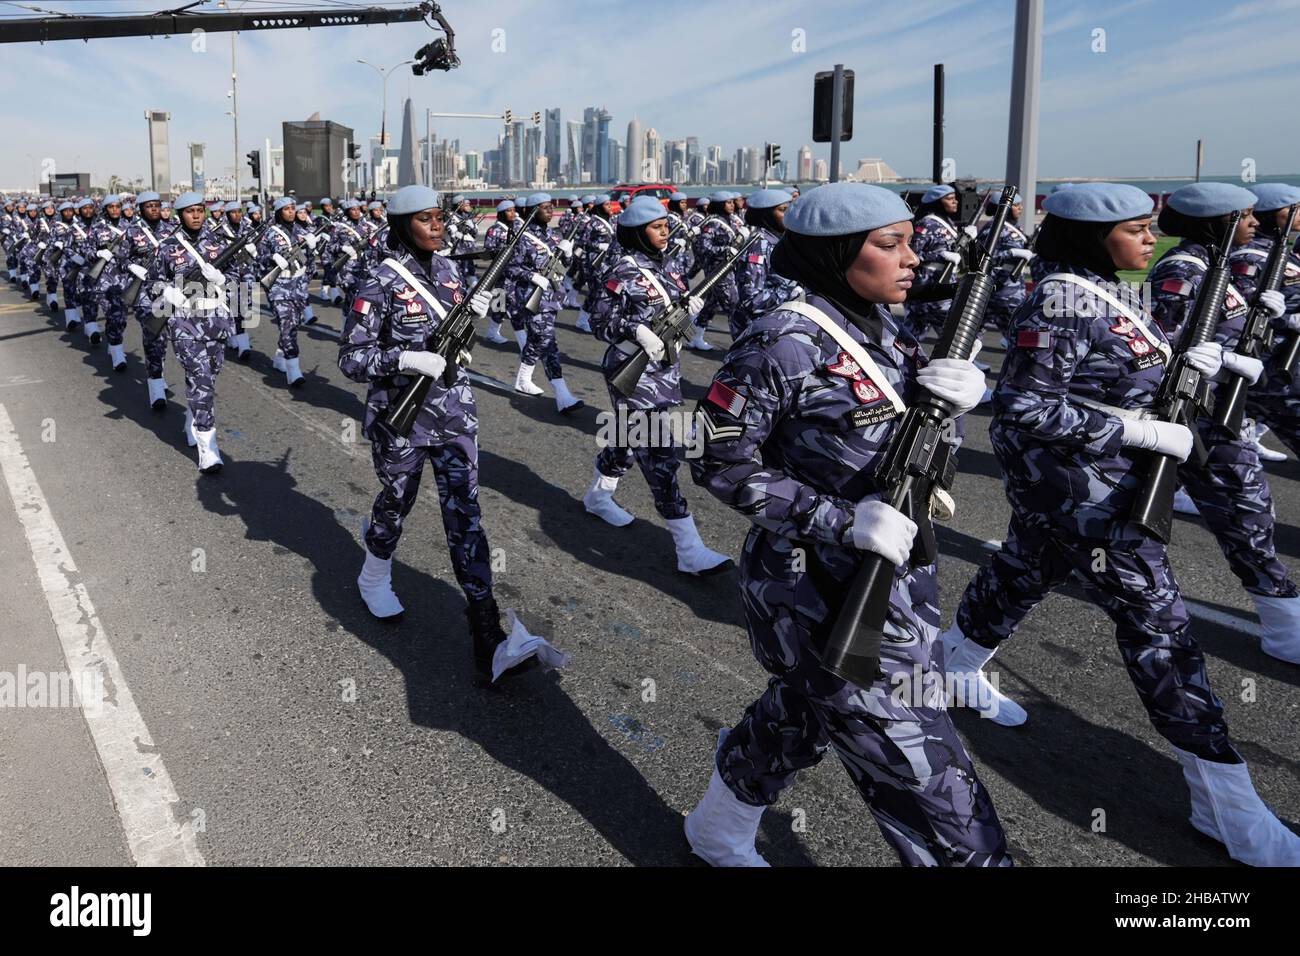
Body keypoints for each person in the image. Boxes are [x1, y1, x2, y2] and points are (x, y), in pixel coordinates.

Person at [941, 182, 1298, 866]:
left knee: (1023, 571)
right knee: (1161, 634)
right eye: (1135, 228)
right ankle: (1226, 807)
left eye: (1149, 226)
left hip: (1085, 487)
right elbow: (1023, 406)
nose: (1148, 238)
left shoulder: (1102, 287)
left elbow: (1110, 369)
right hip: (1086, 494)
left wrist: (1187, 363)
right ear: (1089, 236)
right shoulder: (1060, 297)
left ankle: (954, 664)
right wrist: (1136, 430)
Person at [685, 182, 1008, 867]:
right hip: (816, 590)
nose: (912, 258)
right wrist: (838, 519)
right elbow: (715, 459)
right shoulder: (782, 341)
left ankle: (718, 824)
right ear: (836, 254)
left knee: (800, 716)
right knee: (937, 791)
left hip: (892, 584)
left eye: (910, 241)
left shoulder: (879, 322)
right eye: (890, 244)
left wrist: (960, 393)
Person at [337, 184, 559, 684]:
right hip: (402, 418)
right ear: (401, 225)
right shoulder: (379, 281)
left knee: (466, 517)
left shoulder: (452, 272)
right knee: (396, 502)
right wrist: (404, 358)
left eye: (440, 217)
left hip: (455, 416)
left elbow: (454, 343)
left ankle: (488, 632)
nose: (437, 225)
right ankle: (373, 574)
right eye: (426, 219)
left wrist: (467, 327)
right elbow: (351, 359)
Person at [1148, 182, 1300, 663]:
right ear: (1218, 222)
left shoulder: (1216, 269)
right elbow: (1164, 343)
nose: (1256, 223)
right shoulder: (1182, 269)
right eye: (1246, 216)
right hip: (1201, 414)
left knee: (1248, 510)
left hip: (1218, 409)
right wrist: (1230, 363)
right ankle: (1284, 626)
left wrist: (1267, 316)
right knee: (1245, 511)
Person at [581, 197, 731, 574]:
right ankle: (689, 549)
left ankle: (598, 497)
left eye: (667, 225)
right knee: (659, 452)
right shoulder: (622, 269)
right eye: (656, 227)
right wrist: (635, 330)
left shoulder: (669, 266)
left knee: (627, 440)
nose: (665, 231)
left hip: (664, 371)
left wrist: (688, 307)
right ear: (637, 232)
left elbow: (670, 307)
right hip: (632, 371)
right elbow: (598, 319)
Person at [146, 191, 233, 474]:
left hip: (216, 318)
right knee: (201, 380)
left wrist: (222, 278)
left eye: (199, 210)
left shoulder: (219, 243)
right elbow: (152, 283)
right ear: (179, 214)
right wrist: (167, 292)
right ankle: (209, 450)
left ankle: (192, 419)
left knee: (210, 376)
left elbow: (240, 278)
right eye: (189, 211)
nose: (196, 215)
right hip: (185, 322)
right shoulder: (167, 246)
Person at [1231, 182, 1300, 473]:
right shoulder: (1249, 257)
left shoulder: (1281, 250)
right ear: (1272, 214)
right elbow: (1242, 312)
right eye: (1293, 210)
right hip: (1275, 364)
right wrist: (1288, 319)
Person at [503, 193, 583, 412]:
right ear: (531, 211)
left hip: (552, 297)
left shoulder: (554, 235)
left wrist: (567, 255)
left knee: (541, 339)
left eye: (551, 206)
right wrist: (532, 276)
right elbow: (509, 267)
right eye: (544, 207)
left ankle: (524, 379)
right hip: (531, 295)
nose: (550, 210)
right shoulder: (521, 235)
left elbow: (562, 267)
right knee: (545, 340)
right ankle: (562, 394)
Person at [121, 191, 175, 401]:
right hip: (144, 293)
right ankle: (155, 388)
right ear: (141, 209)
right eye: (149, 206)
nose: (154, 209)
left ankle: (158, 372)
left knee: (170, 339)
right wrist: (133, 267)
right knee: (153, 338)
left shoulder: (171, 230)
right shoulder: (131, 231)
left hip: (168, 292)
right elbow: (121, 259)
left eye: (157, 205)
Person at [257, 197, 315, 387]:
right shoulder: (270, 234)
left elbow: (310, 267)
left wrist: (313, 250)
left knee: (293, 325)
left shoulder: (301, 231)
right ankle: (294, 372)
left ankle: (279, 359)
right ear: (279, 212)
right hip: (279, 287)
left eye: (293, 208)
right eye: (287, 209)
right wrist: (272, 258)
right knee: (288, 326)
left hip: (298, 286)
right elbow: (258, 259)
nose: (291, 212)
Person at [732, 188, 803, 338]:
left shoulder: (778, 240)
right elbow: (751, 300)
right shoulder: (759, 245)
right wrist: (791, 291)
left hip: (776, 322)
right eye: (783, 210)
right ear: (766, 215)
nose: (789, 215)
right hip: (757, 330)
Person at [902, 183, 969, 341]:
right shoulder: (926, 224)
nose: (955, 202)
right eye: (949, 199)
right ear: (938, 201)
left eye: (955, 198)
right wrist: (939, 255)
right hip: (928, 283)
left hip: (945, 281)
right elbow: (912, 254)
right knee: (952, 329)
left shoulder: (948, 225)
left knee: (912, 334)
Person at [688, 191, 745, 351]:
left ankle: (697, 337)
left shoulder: (732, 221)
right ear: (720, 205)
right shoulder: (713, 223)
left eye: (732, 202)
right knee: (733, 306)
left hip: (729, 270)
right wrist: (725, 249)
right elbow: (703, 246)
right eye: (728, 202)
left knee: (711, 305)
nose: (732, 205)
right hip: (718, 272)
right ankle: (740, 345)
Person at [574, 194, 616, 334]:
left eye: (610, 204)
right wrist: (599, 246)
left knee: (605, 291)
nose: (609, 206)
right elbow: (582, 242)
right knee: (595, 292)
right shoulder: (592, 223)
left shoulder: (610, 221)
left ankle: (599, 319)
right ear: (599, 207)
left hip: (607, 262)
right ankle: (582, 320)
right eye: (606, 204)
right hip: (594, 262)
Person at [480, 199, 519, 345]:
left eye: (514, 210)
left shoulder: (516, 228)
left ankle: (495, 332)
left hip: (515, 273)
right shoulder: (495, 229)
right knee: (499, 304)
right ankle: (492, 332)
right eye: (509, 211)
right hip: (501, 273)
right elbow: (488, 250)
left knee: (514, 305)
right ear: (502, 213)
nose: (513, 213)